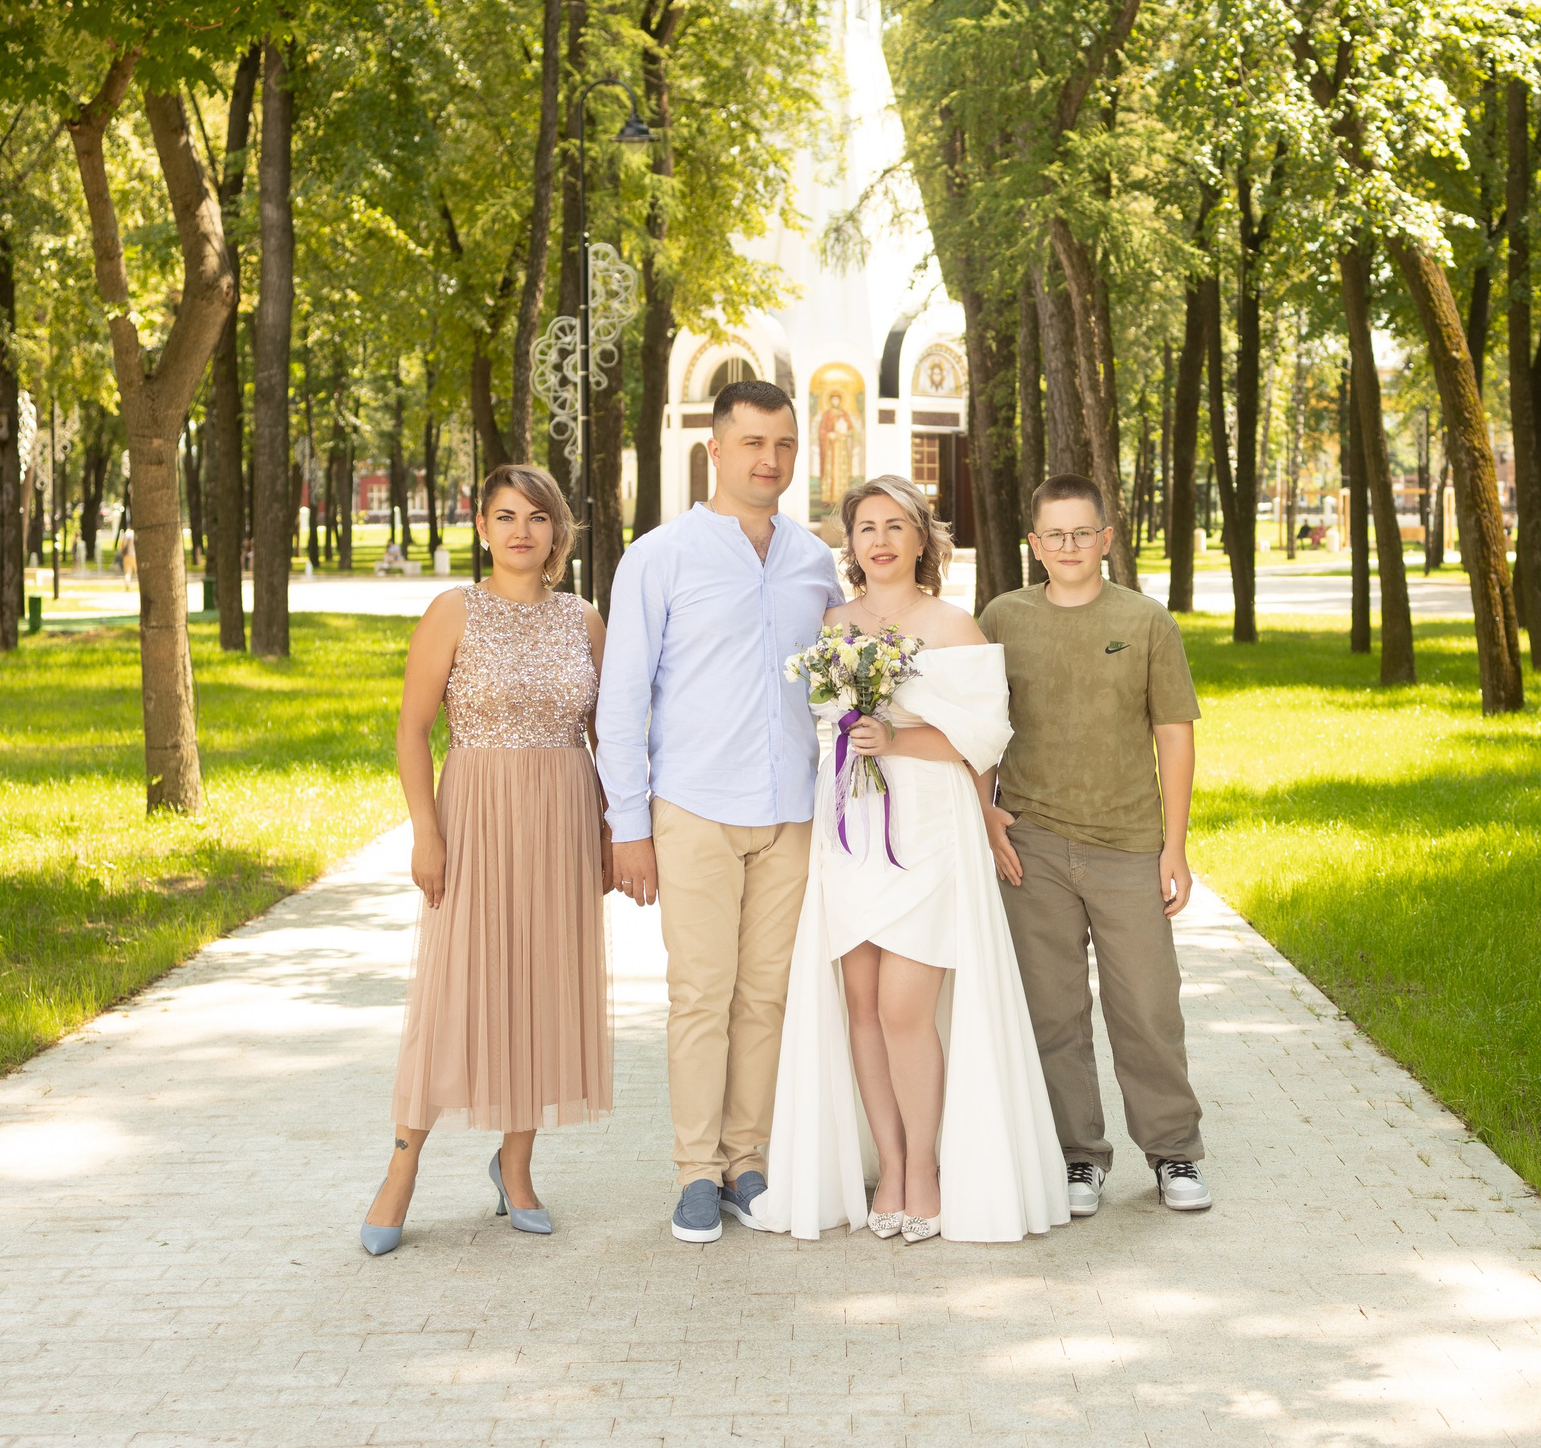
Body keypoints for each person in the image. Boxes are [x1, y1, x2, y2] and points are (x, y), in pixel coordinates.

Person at [751, 477, 1067, 1245]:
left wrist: (896, 737)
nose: (881, 539)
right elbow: (818, 724)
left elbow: (983, 740)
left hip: (925, 824)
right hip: (849, 824)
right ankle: (887, 1164)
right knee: (858, 1002)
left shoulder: (953, 625)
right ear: (850, 543)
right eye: (866, 527)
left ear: (924, 538)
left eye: (897, 525)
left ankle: (925, 1167)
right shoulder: (832, 623)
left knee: (903, 1006)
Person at [598, 379, 843, 1243]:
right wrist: (627, 825)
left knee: (767, 996)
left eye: (782, 444)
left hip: (791, 810)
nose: (769, 460)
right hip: (694, 807)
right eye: (752, 444)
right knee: (701, 994)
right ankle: (695, 1170)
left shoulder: (815, 560)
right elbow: (621, 699)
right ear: (716, 450)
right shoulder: (660, 556)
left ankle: (748, 1161)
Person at [359, 465, 611, 1255]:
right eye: (505, 515)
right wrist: (424, 830)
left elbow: (609, 734)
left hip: (563, 814)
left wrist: (611, 827)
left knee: (540, 983)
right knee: (454, 985)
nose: (521, 531)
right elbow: (411, 731)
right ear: (482, 525)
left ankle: (517, 1163)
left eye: (537, 517)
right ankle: (402, 1165)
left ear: (556, 531)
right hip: (474, 812)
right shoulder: (452, 611)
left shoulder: (585, 620)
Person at [981, 473, 1213, 1217]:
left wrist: (1173, 847)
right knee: (1052, 1012)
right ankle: (1077, 1156)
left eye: (1084, 532)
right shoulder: (1003, 618)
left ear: (1107, 539)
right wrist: (987, 816)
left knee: (1146, 1004)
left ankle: (1174, 1149)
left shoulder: (1145, 621)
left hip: (1127, 845)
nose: (1071, 546)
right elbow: (979, 725)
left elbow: (1173, 734)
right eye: (1056, 534)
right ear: (1035, 545)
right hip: (1033, 845)